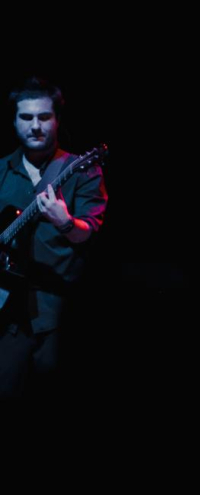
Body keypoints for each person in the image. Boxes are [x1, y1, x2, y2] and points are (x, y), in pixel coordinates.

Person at [0, 77, 108, 399]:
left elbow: (88, 230)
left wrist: (66, 223)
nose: (35, 126)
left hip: (59, 311)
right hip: (8, 314)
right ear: (14, 120)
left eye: (44, 117)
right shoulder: (1, 171)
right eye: (26, 117)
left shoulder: (81, 169)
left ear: (57, 119)